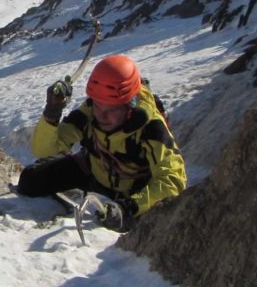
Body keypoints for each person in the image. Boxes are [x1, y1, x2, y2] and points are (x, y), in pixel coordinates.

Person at [17, 54, 187, 231]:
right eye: (98, 106)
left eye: (111, 110)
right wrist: (51, 113)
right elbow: (44, 150)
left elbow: (173, 179)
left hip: (133, 192)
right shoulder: (90, 110)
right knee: (30, 181)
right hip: (94, 171)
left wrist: (128, 207)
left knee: (128, 226)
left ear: (130, 106)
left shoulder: (151, 127)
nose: (101, 115)